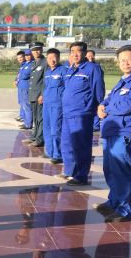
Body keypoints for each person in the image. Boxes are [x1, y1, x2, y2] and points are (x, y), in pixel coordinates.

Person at [94, 45, 131, 222]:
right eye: (122, 60)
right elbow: (111, 98)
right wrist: (102, 105)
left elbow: (129, 105)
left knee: (122, 170)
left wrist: (107, 109)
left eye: (130, 59)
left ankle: (124, 210)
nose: (126, 63)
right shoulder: (124, 80)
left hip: (126, 132)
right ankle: (113, 202)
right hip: (112, 130)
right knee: (110, 169)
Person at [59, 41, 105, 186]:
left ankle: (81, 175)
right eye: (72, 51)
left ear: (84, 53)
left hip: (81, 113)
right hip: (67, 112)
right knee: (66, 144)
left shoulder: (92, 68)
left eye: (78, 51)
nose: (75, 54)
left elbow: (99, 91)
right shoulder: (71, 69)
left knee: (81, 145)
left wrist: (96, 107)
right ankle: (70, 171)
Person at [42, 48, 66, 164]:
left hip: (57, 105)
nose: (52, 60)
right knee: (46, 128)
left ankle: (58, 154)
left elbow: (68, 87)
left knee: (56, 129)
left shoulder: (64, 71)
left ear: (59, 58)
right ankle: (50, 151)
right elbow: (46, 87)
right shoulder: (47, 72)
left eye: (54, 58)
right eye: (49, 58)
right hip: (46, 104)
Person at [23, 42, 46, 147]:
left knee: (40, 118)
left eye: (38, 49)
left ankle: (40, 139)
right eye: (33, 50)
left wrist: (42, 95)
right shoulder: (34, 63)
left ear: (41, 50)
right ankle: (34, 136)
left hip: (39, 96)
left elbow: (45, 81)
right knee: (35, 117)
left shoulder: (45, 63)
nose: (36, 52)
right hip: (33, 94)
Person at [86, 49, 104, 132]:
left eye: (92, 55)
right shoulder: (84, 66)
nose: (90, 57)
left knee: (97, 104)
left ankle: (96, 125)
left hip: (97, 89)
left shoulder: (97, 66)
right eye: (88, 55)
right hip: (88, 90)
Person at [15, 50, 32, 130]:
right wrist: (17, 79)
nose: (27, 57)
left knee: (26, 106)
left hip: (26, 87)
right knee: (23, 104)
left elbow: (24, 75)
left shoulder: (31, 64)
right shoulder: (24, 64)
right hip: (21, 86)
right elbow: (19, 75)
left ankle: (28, 124)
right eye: (26, 55)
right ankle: (25, 121)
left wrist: (19, 77)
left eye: (28, 55)